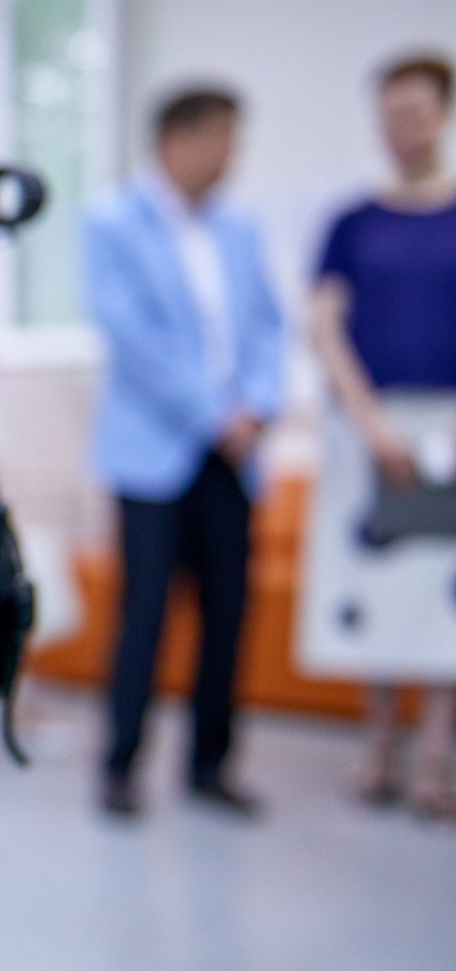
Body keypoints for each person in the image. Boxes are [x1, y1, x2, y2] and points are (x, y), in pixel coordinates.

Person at [84, 87, 284, 819]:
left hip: (233, 452)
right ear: (176, 140)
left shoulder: (239, 225)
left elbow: (268, 323)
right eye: (220, 140)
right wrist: (213, 412)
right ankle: (119, 764)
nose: (230, 156)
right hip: (154, 449)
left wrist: (257, 405)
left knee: (228, 610)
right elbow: (130, 336)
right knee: (143, 614)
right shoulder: (112, 220)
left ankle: (210, 762)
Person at [301, 52, 456, 819]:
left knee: (442, 594)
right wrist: (367, 419)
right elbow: (324, 323)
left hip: (448, 430)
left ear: (443, 115)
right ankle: (378, 746)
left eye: (417, 113)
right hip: (368, 426)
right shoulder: (350, 222)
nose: (403, 128)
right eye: (391, 114)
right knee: (378, 586)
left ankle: (436, 754)